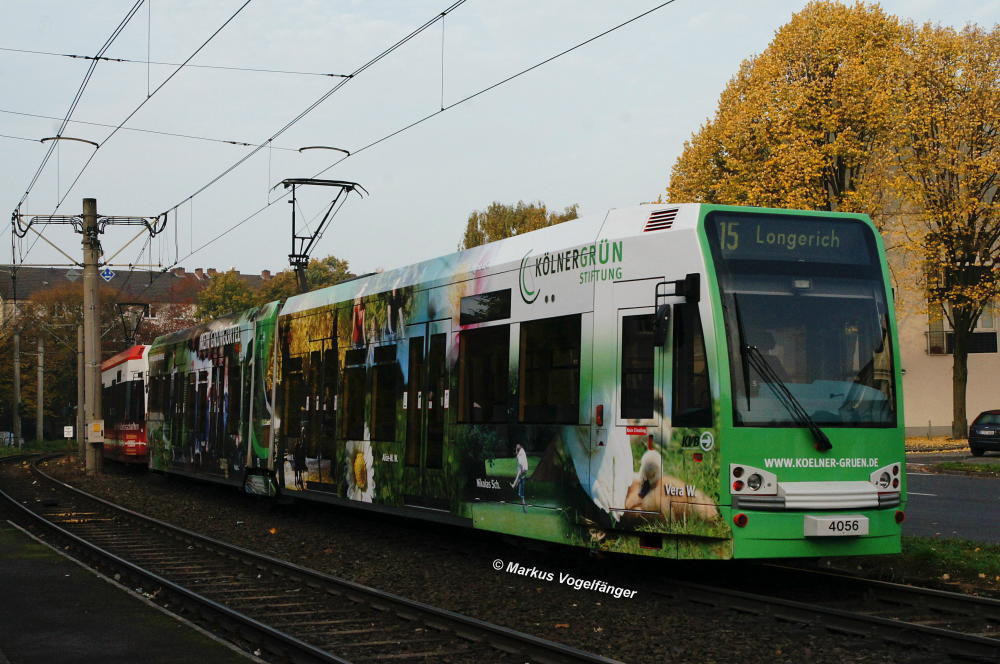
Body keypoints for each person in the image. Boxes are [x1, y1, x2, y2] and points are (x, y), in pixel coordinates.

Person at [510, 443, 529, 512]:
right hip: (525, 471)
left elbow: (520, 464)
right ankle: (516, 484)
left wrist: (520, 470)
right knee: (521, 495)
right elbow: (519, 448)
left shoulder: (519, 456)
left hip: (523, 470)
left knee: (518, 473)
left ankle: (514, 485)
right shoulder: (522, 451)